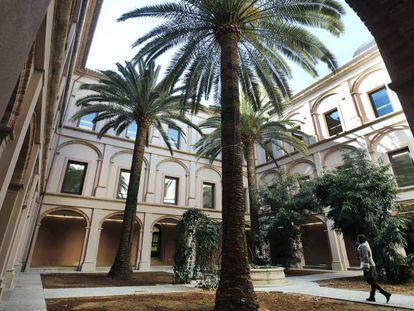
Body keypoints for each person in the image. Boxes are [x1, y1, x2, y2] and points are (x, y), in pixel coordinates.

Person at [357, 234, 391, 303]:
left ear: (360, 240)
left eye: (358, 239)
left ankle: (385, 293)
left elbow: (366, 257)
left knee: (370, 281)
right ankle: (372, 297)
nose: (357, 240)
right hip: (371, 265)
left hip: (368, 265)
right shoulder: (365, 245)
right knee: (372, 281)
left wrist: (365, 266)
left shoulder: (363, 246)